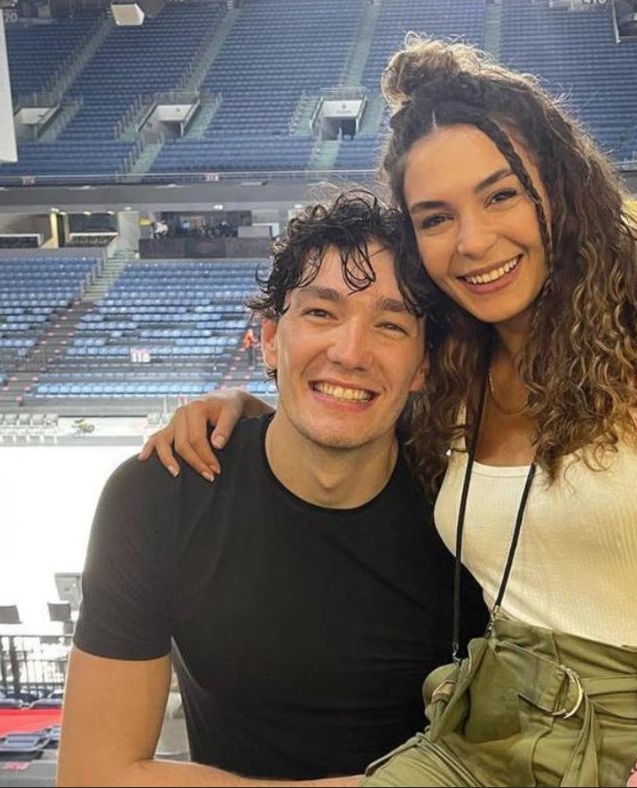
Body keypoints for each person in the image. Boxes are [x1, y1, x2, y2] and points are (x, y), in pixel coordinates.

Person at [143, 38, 637, 787]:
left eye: (501, 196)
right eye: (436, 217)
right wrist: (244, 405)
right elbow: (346, 405)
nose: (473, 242)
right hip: (488, 721)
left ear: (559, 189)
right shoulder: (449, 361)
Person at [58, 192, 486, 786]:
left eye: (390, 325)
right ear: (268, 339)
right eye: (321, 313)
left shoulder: (469, 510)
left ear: (423, 367)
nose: (350, 352)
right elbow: (92, 775)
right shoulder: (161, 492)